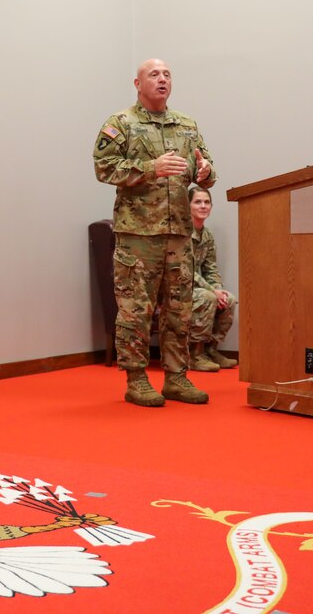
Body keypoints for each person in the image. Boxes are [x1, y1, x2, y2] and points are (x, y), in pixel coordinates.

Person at [93, 58, 216, 407]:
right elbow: (103, 168)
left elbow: (207, 171)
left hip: (179, 233)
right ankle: (136, 379)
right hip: (139, 235)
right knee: (136, 309)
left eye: (167, 75)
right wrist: (151, 168)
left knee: (179, 309)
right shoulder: (122, 123)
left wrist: (205, 172)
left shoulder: (187, 126)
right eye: (154, 75)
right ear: (137, 83)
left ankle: (176, 378)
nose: (162, 80)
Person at [188, 187, 238, 371]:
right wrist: (212, 291)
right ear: (188, 206)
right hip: (176, 287)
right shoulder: (181, 233)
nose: (203, 206)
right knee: (207, 297)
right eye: (197, 202)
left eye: (207, 202)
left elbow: (210, 268)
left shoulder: (206, 235)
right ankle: (195, 354)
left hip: (199, 286)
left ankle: (210, 349)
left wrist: (218, 288)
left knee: (229, 299)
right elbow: (186, 270)